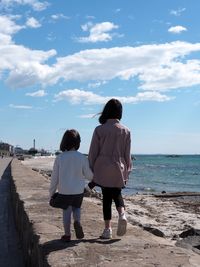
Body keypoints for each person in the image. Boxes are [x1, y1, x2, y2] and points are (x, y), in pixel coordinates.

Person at [88, 99, 132, 239]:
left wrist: (91, 169)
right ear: (120, 112)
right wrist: (127, 172)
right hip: (119, 166)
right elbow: (127, 155)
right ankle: (122, 215)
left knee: (106, 198)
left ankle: (108, 230)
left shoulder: (99, 130)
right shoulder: (126, 131)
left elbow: (93, 152)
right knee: (117, 194)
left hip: (103, 166)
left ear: (106, 111)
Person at [49, 129, 93, 242]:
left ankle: (67, 234)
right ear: (78, 142)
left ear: (64, 142)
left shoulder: (60, 158)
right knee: (77, 208)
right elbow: (89, 176)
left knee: (66, 211)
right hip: (78, 191)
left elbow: (54, 177)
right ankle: (77, 221)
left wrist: (52, 192)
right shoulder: (82, 157)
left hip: (65, 191)